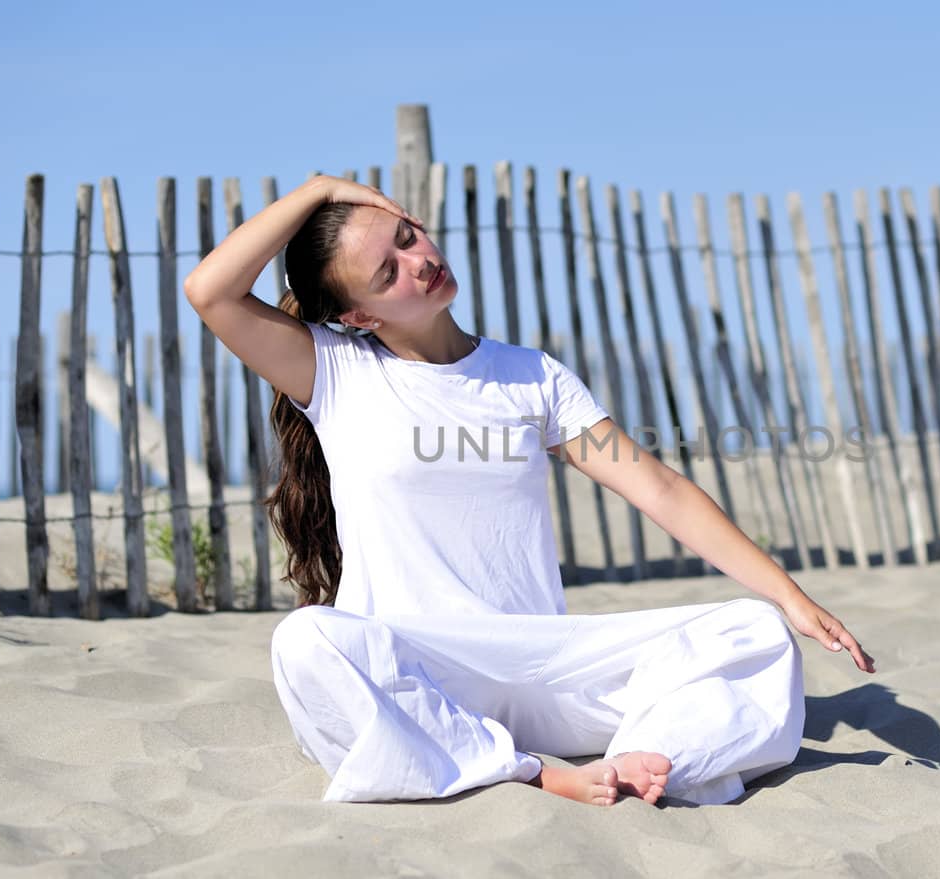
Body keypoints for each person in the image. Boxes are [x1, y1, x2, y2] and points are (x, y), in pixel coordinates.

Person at [182, 175, 876, 807]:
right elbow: (209, 291)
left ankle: (651, 761)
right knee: (304, 640)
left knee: (754, 633)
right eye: (387, 271)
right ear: (360, 316)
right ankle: (531, 771)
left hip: (542, 666)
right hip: (422, 670)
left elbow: (658, 487)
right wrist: (318, 189)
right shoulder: (332, 372)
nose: (419, 261)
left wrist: (790, 597)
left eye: (408, 235)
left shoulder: (530, 377)